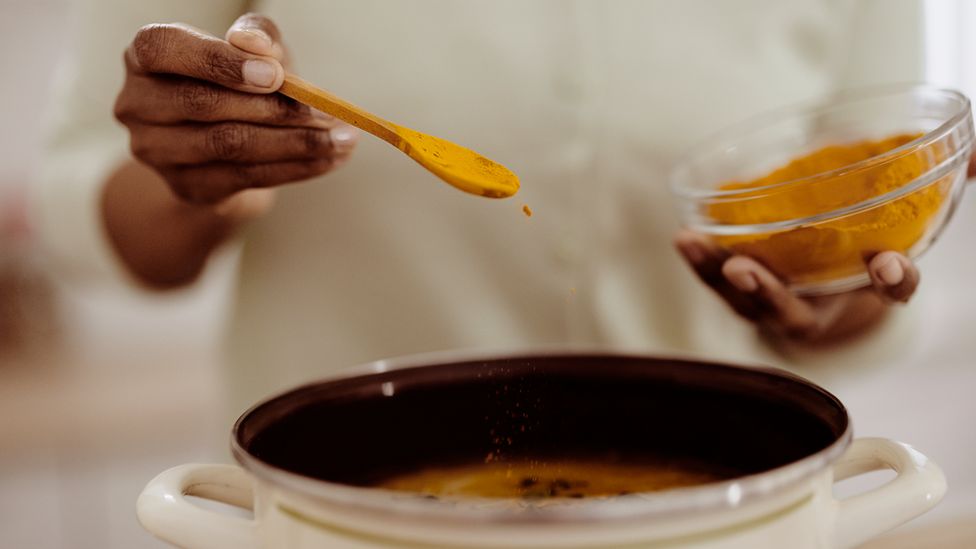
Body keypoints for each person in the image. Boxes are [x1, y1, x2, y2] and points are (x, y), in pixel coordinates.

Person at [38, 0, 936, 418]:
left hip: (721, 506)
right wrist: (197, 173)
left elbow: (872, 236)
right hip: (341, 515)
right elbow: (88, 215)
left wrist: (826, 299)